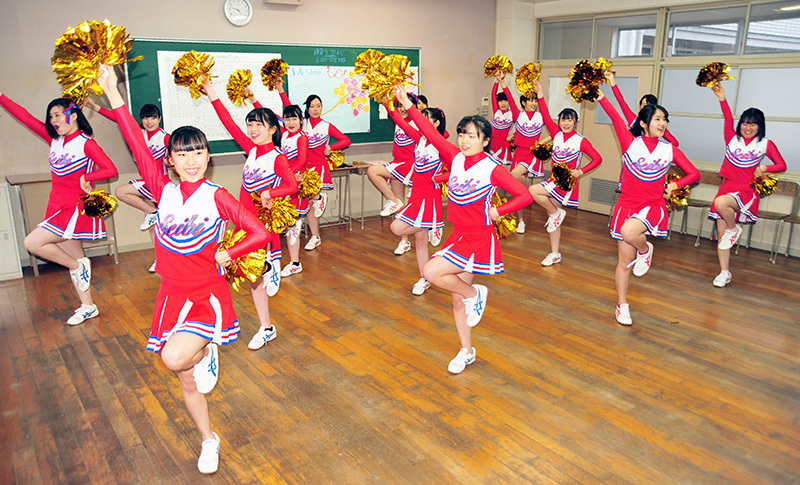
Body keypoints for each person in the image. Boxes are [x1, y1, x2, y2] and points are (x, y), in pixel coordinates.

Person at [97, 65, 269, 475]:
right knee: (186, 379)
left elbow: (259, 232)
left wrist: (232, 252)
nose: (191, 160)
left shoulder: (217, 195)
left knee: (174, 358)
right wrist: (113, 93)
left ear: (207, 157)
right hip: (169, 296)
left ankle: (206, 347)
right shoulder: (163, 191)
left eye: (198, 152)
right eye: (181, 153)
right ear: (170, 160)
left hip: (206, 296)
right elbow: (138, 145)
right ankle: (209, 439)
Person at [395, 85, 533, 374]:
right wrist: (407, 103)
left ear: (485, 140)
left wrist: (498, 210)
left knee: (432, 273)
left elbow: (524, 195)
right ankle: (466, 350)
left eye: (472, 135)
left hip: (479, 238)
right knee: (456, 298)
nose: (464, 139)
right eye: (462, 133)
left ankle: (473, 295)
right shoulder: (455, 157)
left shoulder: (492, 168)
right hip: (457, 235)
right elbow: (429, 132)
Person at [0, 92, 118, 325]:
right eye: (50, 116)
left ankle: (78, 267)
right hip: (56, 204)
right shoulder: (55, 140)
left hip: (74, 207)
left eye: (57, 115)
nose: (53, 120)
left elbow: (110, 169)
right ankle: (88, 306)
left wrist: (88, 175)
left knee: (32, 243)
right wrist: (2, 97)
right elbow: (24, 117)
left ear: (72, 115)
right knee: (74, 254)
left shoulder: (87, 143)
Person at [201, 77, 298, 351]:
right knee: (251, 279)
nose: (252, 129)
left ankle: (269, 268)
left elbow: (292, 185)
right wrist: (211, 92)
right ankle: (266, 323)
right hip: (244, 225)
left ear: (272, 129)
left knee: (252, 277)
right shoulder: (251, 150)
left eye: (259, 124)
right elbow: (227, 122)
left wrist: (271, 194)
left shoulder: (277, 157)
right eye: (250, 124)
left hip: (263, 230)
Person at [596, 89, 700, 326]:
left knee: (630, 233)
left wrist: (675, 184)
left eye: (664, 119)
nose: (662, 123)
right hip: (626, 205)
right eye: (657, 119)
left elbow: (694, 173)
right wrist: (599, 94)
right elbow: (614, 116)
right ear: (643, 123)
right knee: (624, 262)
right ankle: (622, 305)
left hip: (652, 206)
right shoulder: (630, 143)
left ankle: (645, 250)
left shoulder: (669, 149)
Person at [708, 83, 786, 287]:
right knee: (722, 234)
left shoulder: (765, 144)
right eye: (744, 122)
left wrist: (765, 168)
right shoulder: (731, 139)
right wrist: (722, 98)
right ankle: (724, 272)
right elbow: (727, 117)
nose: (748, 127)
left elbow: (782, 165)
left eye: (753, 124)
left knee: (721, 204)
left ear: (760, 126)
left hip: (746, 189)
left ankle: (734, 229)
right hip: (727, 185)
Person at [85, 99, 169, 273]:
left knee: (121, 192)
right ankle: (160, 259)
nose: (149, 121)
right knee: (152, 225)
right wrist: (95, 107)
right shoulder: (139, 133)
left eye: (152, 117)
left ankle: (170, 256)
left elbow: (176, 154)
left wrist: (170, 161)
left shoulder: (166, 137)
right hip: (146, 184)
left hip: (160, 184)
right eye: (145, 118)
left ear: (159, 118)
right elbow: (119, 118)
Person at [530, 80, 602, 266]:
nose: (566, 123)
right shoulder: (556, 134)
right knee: (553, 216)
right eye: (563, 119)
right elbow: (545, 116)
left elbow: (597, 159)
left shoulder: (581, 141)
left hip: (566, 183)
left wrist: (581, 171)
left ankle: (555, 215)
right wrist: (540, 94)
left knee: (534, 192)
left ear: (575, 122)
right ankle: (555, 253)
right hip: (554, 181)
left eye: (570, 119)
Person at [277, 81, 351, 251]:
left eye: (318, 106)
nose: (316, 109)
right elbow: (289, 109)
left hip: (318, 168)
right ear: (307, 109)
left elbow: (346, 140)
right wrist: (281, 90)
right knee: (308, 204)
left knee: (310, 202)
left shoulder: (326, 126)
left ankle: (315, 229)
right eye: (312, 106)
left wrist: (330, 148)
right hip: (303, 168)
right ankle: (315, 236)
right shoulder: (302, 123)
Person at [388, 103, 448, 295]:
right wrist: (387, 100)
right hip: (415, 195)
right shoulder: (419, 139)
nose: (419, 121)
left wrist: (437, 178)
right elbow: (400, 121)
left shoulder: (441, 145)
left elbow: (457, 169)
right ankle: (424, 278)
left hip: (430, 197)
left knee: (396, 227)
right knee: (420, 242)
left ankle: (432, 224)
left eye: (426, 117)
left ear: (437, 123)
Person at [366, 93, 420, 255]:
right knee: (400, 206)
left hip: (409, 166)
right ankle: (404, 241)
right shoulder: (399, 124)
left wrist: (387, 100)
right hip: (397, 163)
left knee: (373, 172)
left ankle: (393, 201)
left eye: (405, 105)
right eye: (400, 106)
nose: (402, 109)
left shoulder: (417, 124)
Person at [504, 72, 549, 233]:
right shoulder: (519, 115)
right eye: (530, 100)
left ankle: (525, 196)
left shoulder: (541, 116)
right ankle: (521, 221)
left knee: (511, 177)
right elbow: (509, 97)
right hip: (518, 154)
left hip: (531, 155)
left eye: (535, 100)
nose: (534, 103)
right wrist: (501, 81)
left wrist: (541, 143)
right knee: (518, 189)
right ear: (523, 102)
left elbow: (554, 132)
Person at [489, 71, 514, 164]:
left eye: (505, 101)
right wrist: (497, 80)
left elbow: (521, 128)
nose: (503, 103)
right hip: (492, 143)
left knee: (500, 170)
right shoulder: (496, 111)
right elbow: (493, 93)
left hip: (503, 144)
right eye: (500, 101)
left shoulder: (512, 115)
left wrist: (512, 136)